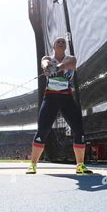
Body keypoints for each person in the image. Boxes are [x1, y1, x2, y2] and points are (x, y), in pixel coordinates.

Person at [26, 37, 93, 175]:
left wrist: (57, 67)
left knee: (79, 131)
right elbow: (44, 63)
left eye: (63, 42)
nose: (61, 43)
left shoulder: (71, 58)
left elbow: (70, 64)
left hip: (66, 98)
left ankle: (80, 165)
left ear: (65, 47)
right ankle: (33, 165)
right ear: (54, 47)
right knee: (42, 131)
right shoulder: (48, 58)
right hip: (50, 97)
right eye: (58, 42)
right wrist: (46, 67)